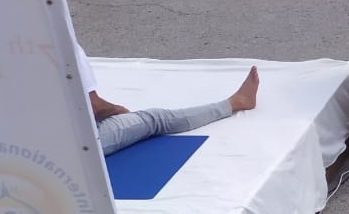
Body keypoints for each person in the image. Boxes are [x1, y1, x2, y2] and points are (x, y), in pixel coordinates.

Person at [76, 43, 261, 157]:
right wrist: (116, 110)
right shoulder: (66, 49)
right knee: (155, 119)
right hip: (76, 148)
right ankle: (236, 102)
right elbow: (91, 107)